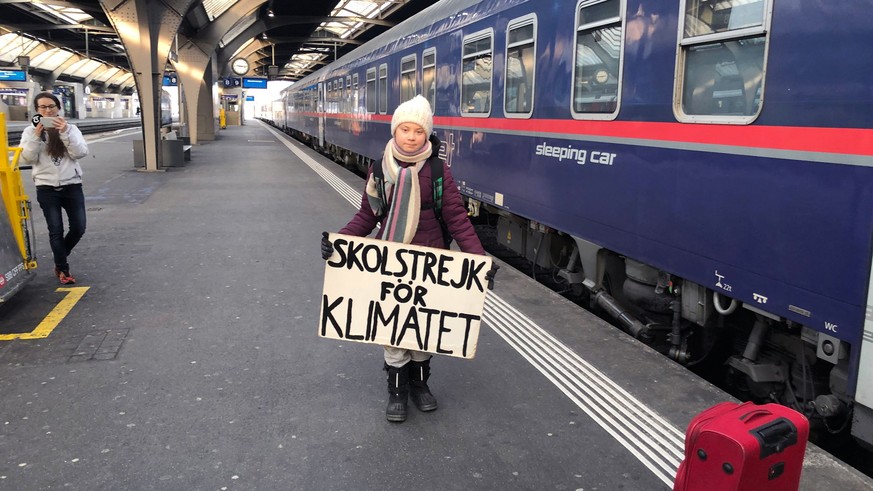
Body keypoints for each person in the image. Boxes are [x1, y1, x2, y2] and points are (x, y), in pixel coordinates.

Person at [321, 95, 498, 422]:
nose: (412, 136)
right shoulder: (379, 168)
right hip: (388, 261)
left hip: (429, 262)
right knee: (392, 330)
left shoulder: (437, 169)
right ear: (395, 130)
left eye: (419, 130)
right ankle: (397, 392)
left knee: (423, 331)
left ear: (427, 134)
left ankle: (420, 386)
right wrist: (340, 242)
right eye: (405, 129)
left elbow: (457, 218)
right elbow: (368, 215)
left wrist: (479, 259)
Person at [19, 92, 89, 285]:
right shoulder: (29, 132)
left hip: (72, 186)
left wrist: (65, 132)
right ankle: (63, 269)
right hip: (46, 188)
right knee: (55, 230)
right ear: (37, 111)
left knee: (79, 227)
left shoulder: (71, 129)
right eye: (43, 107)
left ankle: (60, 255)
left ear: (58, 108)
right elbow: (27, 158)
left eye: (51, 106)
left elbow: (81, 152)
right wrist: (35, 136)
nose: (48, 110)